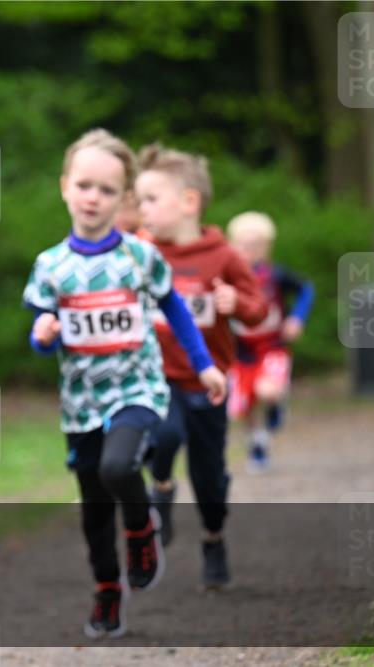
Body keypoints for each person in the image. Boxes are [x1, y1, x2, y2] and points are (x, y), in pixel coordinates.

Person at [24, 129, 225, 638]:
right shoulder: (51, 266)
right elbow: (42, 331)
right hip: (82, 401)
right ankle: (107, 588)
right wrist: (43, 335)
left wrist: (202, 364)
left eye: (107, 190)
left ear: (123, 199)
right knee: (94, 506)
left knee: (118, 467)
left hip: (137, 388)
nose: (93, 198)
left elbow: (175, 309)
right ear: (64, 187)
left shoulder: (140, 257)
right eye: (84, 185)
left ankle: (140, 527)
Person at [136, 144, 268, 588]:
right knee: (165, 434)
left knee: (208, 476)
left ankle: (213, 537)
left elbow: (258, 308)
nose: (141, 208)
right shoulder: (141, 251)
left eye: (151, 199)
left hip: (208, 382)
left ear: (189, 201)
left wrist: (238, 303)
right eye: (139, 199)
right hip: (157, 376)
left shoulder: (224, 256)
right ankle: (161, 488)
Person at [225, 211, 314, 472]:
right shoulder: (228, 278)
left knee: (268, 390)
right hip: (241, 351)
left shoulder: (275, 275)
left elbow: (306, 289)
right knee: (241, 407)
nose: (248, 251)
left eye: (255, 245)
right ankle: (258, 444)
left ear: (266, 247)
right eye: (243, 245)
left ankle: (276, 404)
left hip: (272, 347)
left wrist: (297, 318)